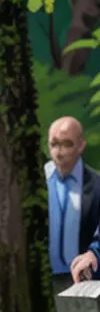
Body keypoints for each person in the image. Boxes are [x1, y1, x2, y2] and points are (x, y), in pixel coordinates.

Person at [41, 117, 100, 294]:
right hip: (42, 281)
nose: (59, 152)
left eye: (67, 144)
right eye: (54, 144)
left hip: (83, 281)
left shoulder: (97, 185)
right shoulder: (36, 182)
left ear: (81, 145)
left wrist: (93, 254)